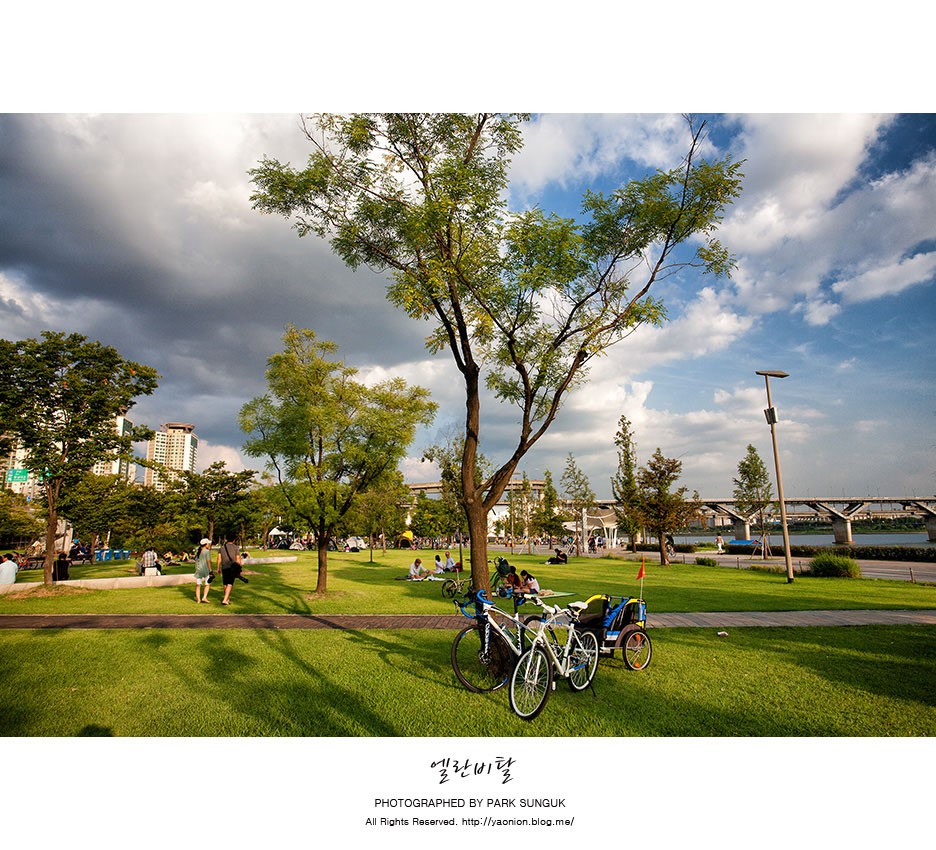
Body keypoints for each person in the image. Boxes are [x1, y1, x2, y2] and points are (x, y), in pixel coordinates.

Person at [216, 534, 243, 606]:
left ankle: (227, 598)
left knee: (225, 583)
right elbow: (238, 558)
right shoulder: (235, 548)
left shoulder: (221, 548)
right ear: (234, 540)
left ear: (226, 540)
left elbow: (219, 559)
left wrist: (218, 568)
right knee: (230, 584)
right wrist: (239, 568)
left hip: (224, 567)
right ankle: (225, 600)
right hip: (232, 568)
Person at [194, 538, 213, 603]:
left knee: (198, 585)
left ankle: (198, 599)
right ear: (206, 544)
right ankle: (204, 597)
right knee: (207, 584)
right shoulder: (207, 551)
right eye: (208, 543)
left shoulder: (198, 552)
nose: (209, 544)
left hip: (198, 570)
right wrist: (210, 570)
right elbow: (208, 562)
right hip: (205, 570)